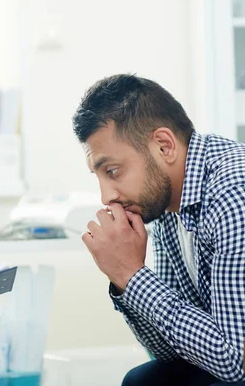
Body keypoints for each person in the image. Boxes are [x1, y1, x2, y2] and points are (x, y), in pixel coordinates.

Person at [71, 74, 245, 385]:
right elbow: (170, 352)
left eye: (113, 171)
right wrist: (124, 278)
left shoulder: (233, 192)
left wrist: (132, 276)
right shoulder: (163, 205)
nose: (106, 196)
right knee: (145, 380)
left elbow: (235, 362)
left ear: (164, 146)